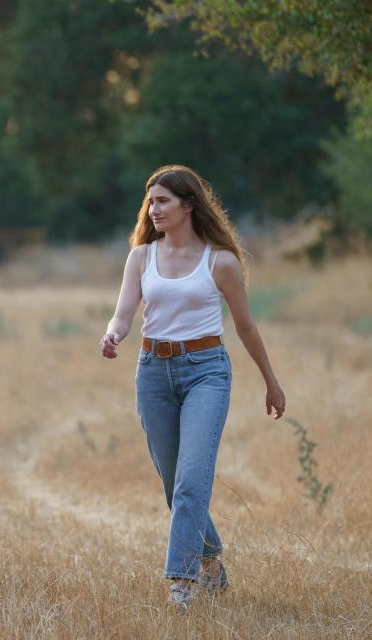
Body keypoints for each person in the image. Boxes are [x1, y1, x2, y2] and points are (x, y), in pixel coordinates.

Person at [98, 165, 286, 610]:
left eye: (163, 200)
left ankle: (180, 583)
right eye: (151, 200)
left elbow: (245, 327)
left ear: (188, 204)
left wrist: (271, 383)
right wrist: (113, 334)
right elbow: (124, 312)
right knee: (173, 484)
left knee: (190, 481)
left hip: (207, 372)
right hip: (153, 374)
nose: (153, 208)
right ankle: (212, 565)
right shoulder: (141, 256)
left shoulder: (220, 261)